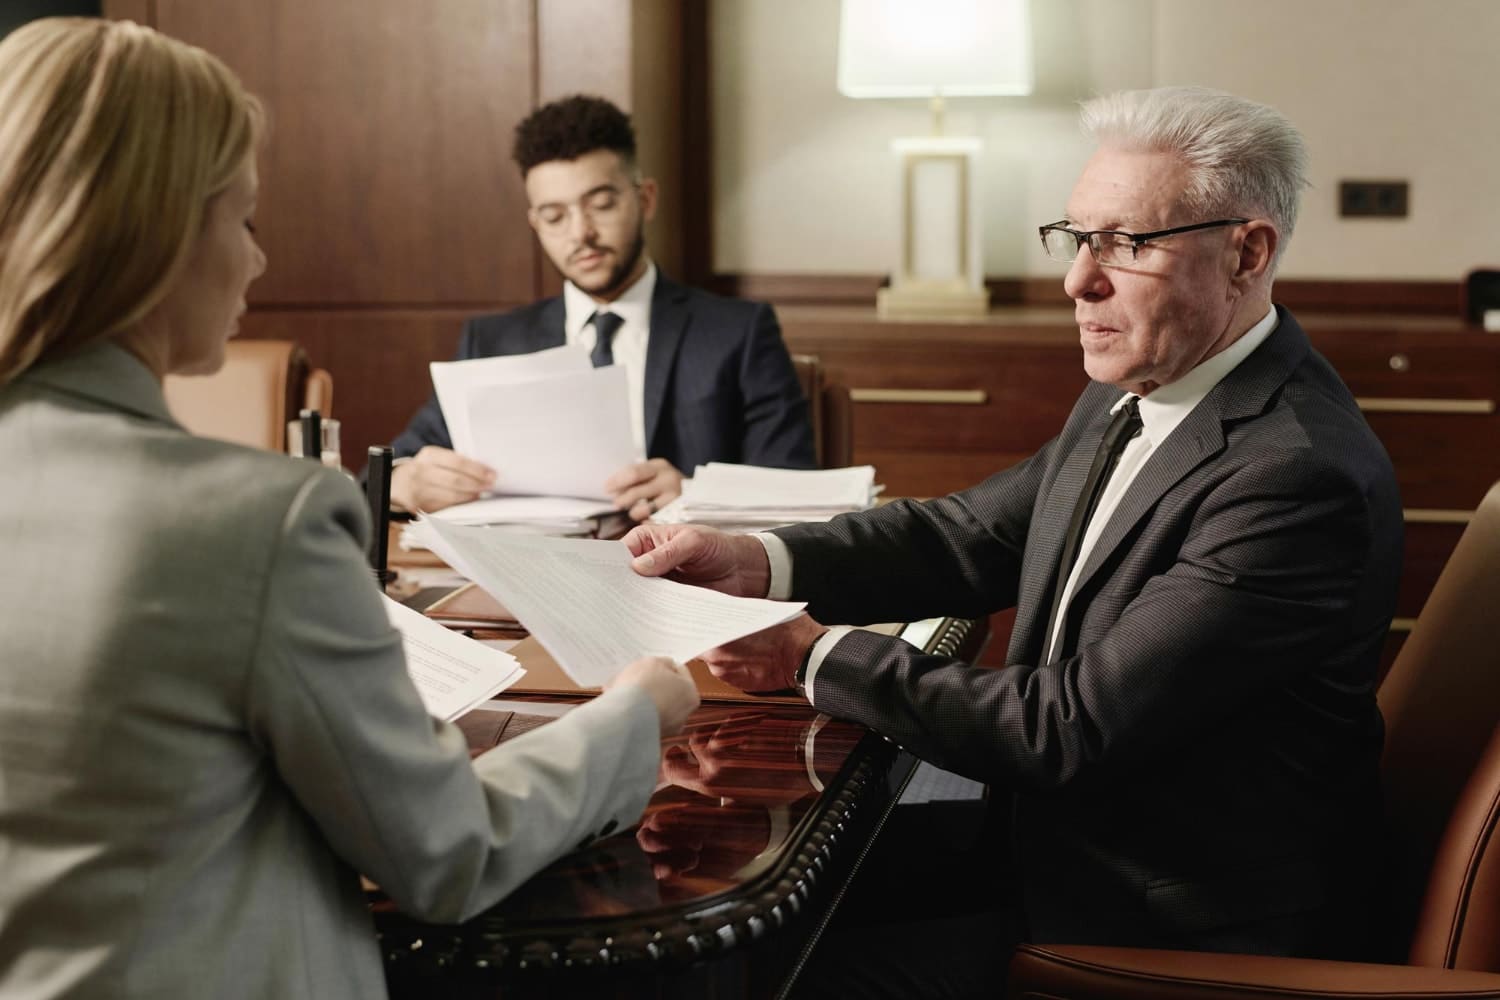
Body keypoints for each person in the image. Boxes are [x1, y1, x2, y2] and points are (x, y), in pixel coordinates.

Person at [625, 86, 1402, 992]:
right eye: (1077, 238)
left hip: (1159, 923)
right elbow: (966, 535)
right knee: (716, 888)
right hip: (1056, 841)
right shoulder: (1145, 379)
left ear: (1248, 252)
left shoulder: (1295, 475)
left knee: (742, 962)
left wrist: (810, 657)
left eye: (1128, 244)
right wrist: (761, 558)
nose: (1079, 280)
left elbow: (1067, 726)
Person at [0, 19, 699, 1000]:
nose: (257, 260)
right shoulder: (256, 521)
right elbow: (449, 850)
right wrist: (636, 716)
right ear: (155, 233)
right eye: (242, 218)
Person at [387, 94, 815, 518]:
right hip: (527, 575)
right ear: (536, 224)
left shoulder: (738, 332)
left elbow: (794, 483)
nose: (581, 234)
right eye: (555, 217)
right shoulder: (493, 340)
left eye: (602, 205)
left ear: (645, 199)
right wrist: (406, 481)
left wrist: (695, 494)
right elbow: (387, 470)